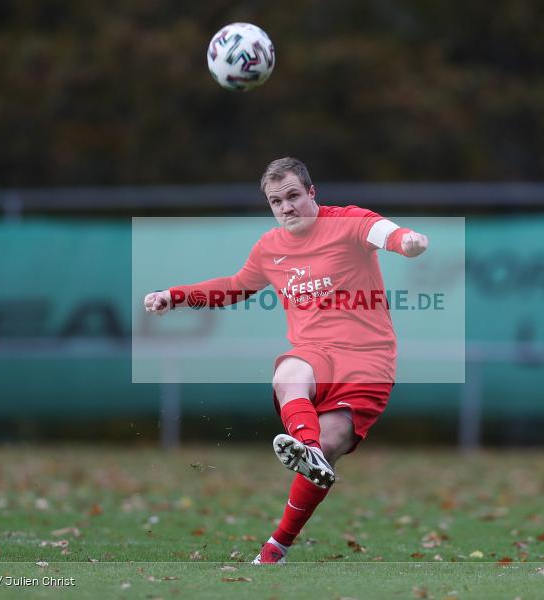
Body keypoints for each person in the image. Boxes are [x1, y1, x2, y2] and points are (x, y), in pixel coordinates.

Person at [144, 157, 428, 563]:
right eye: (276, 202)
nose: (286, 208)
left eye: (293, 196)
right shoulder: (270, 247)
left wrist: (407, 241)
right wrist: (175, 296)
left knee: (328, 450)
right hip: (315, 353)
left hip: (368, 362)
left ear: (312, 193)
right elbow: (235, 286)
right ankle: (306, 447)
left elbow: (382, 231)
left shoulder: (346, 222)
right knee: (290, 371)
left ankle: (278, 545)